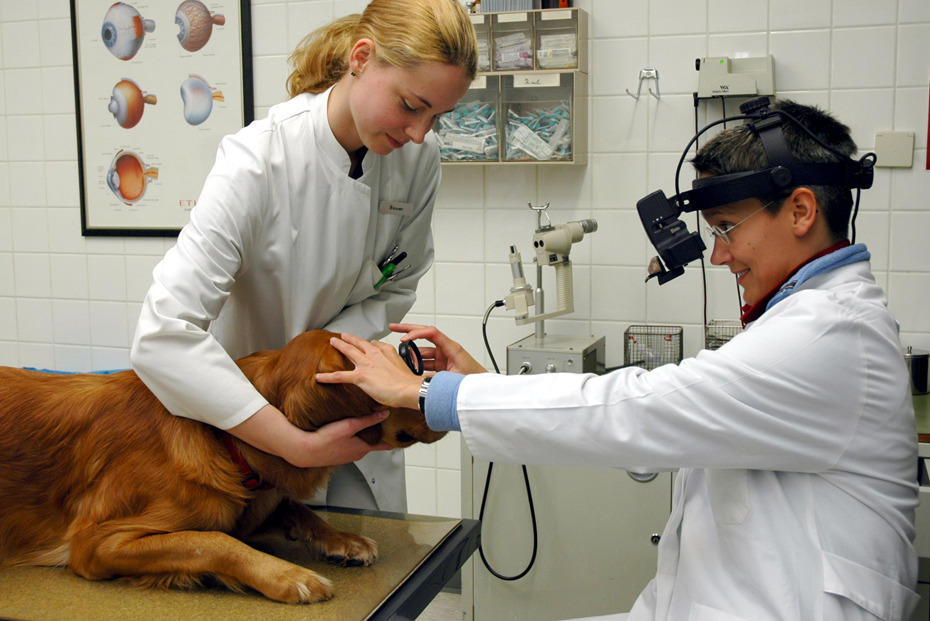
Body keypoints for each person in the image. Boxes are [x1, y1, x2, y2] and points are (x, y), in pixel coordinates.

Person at [317, 100, 920, 620]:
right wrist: (483, 386)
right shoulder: (807, 322)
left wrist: (430, 396)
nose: (718, 256)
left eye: (727, 229)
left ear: (801, 211)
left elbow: (639, 409)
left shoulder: (828, 336)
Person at [131, 0, 476, 513]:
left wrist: (335, 360)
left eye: (437, 116)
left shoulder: (419, 159)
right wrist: (291, 440)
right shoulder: (256, 161)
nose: (421, 132)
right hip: (247, 432)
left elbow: (398, 284)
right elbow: (162, 337)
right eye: (410, 105)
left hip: (355, 414)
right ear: (362, 58)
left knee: (374, 571)